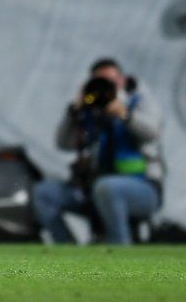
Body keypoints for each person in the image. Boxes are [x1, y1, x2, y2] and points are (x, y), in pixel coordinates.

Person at [32, 58, 165, 245]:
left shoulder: (140, 101)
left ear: (122, 80)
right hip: (93, 190)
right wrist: (74, 111)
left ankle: (118, 246)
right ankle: (66, 249)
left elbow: (153, 132)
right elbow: (63, 143)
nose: (106, 88)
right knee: (44, 192)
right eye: (100, 82)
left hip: (143, 189)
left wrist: (124, 114)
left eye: (111, 82)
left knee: (107, 187)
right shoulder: (91, 111)